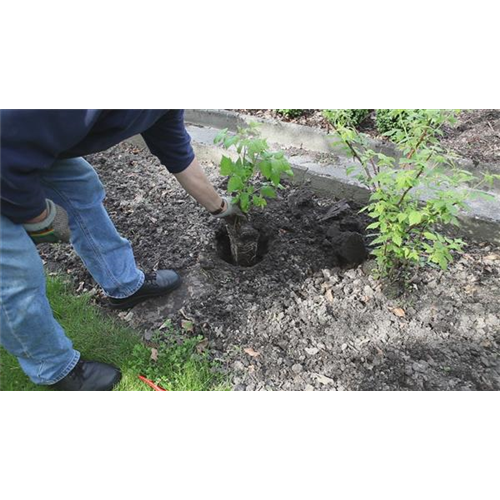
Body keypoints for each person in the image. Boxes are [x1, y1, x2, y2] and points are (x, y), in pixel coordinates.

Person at [0, 109, 236, 389]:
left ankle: (124, 286)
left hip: (16, 145)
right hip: (7, 149)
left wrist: (222, 208)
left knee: (80, 186)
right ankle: (53, 369)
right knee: (15, 270)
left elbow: (179, 155)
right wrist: (39, 217)